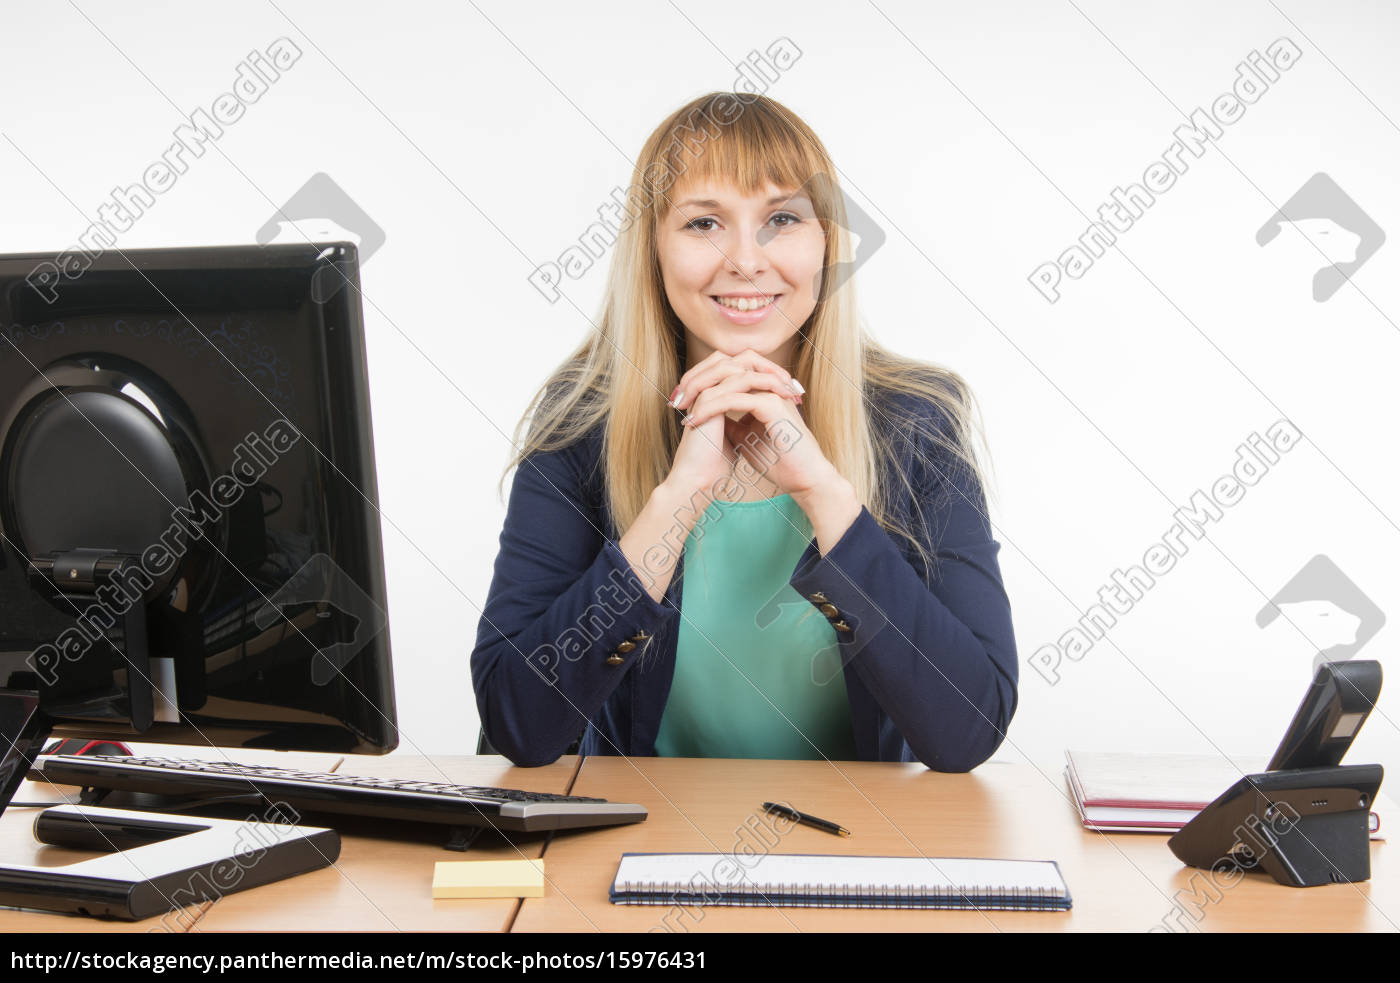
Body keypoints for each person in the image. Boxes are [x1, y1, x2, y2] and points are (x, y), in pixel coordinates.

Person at [470, 91, 1018, 771]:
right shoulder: (581, 424)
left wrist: (822, 490)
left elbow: (968, 729)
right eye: (704, 224)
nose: (746, 261)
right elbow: (517, 723)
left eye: (781, 218)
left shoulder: (918, 424)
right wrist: (677, 499)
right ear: (654, 249)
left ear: (826, 243)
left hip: (857, 854)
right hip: (642, 848)